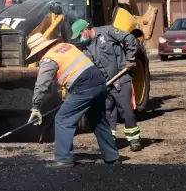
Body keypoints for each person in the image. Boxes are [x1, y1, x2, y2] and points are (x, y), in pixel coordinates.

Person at [26, 33, 120, 168]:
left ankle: (64, 159)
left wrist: (35, 107)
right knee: (98, 120)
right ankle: (112, 157)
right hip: (99, 82)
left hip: (84, 87)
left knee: (62, 119)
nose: (36, 58)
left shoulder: (48, 59)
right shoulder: (66, 46)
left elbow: (42, 85)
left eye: (35, 55)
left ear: (39, 51)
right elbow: (79, 69)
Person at [71, 19, 142, 151]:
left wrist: (130, 58)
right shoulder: (86, 48)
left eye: (79, 34)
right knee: (108, 114)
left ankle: (134, 139)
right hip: (105, 85)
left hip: (121, 78)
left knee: (126, 111)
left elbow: (130, 38)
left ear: (85, 30)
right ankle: (110, 141)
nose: (80, 38)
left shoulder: (108, 31)